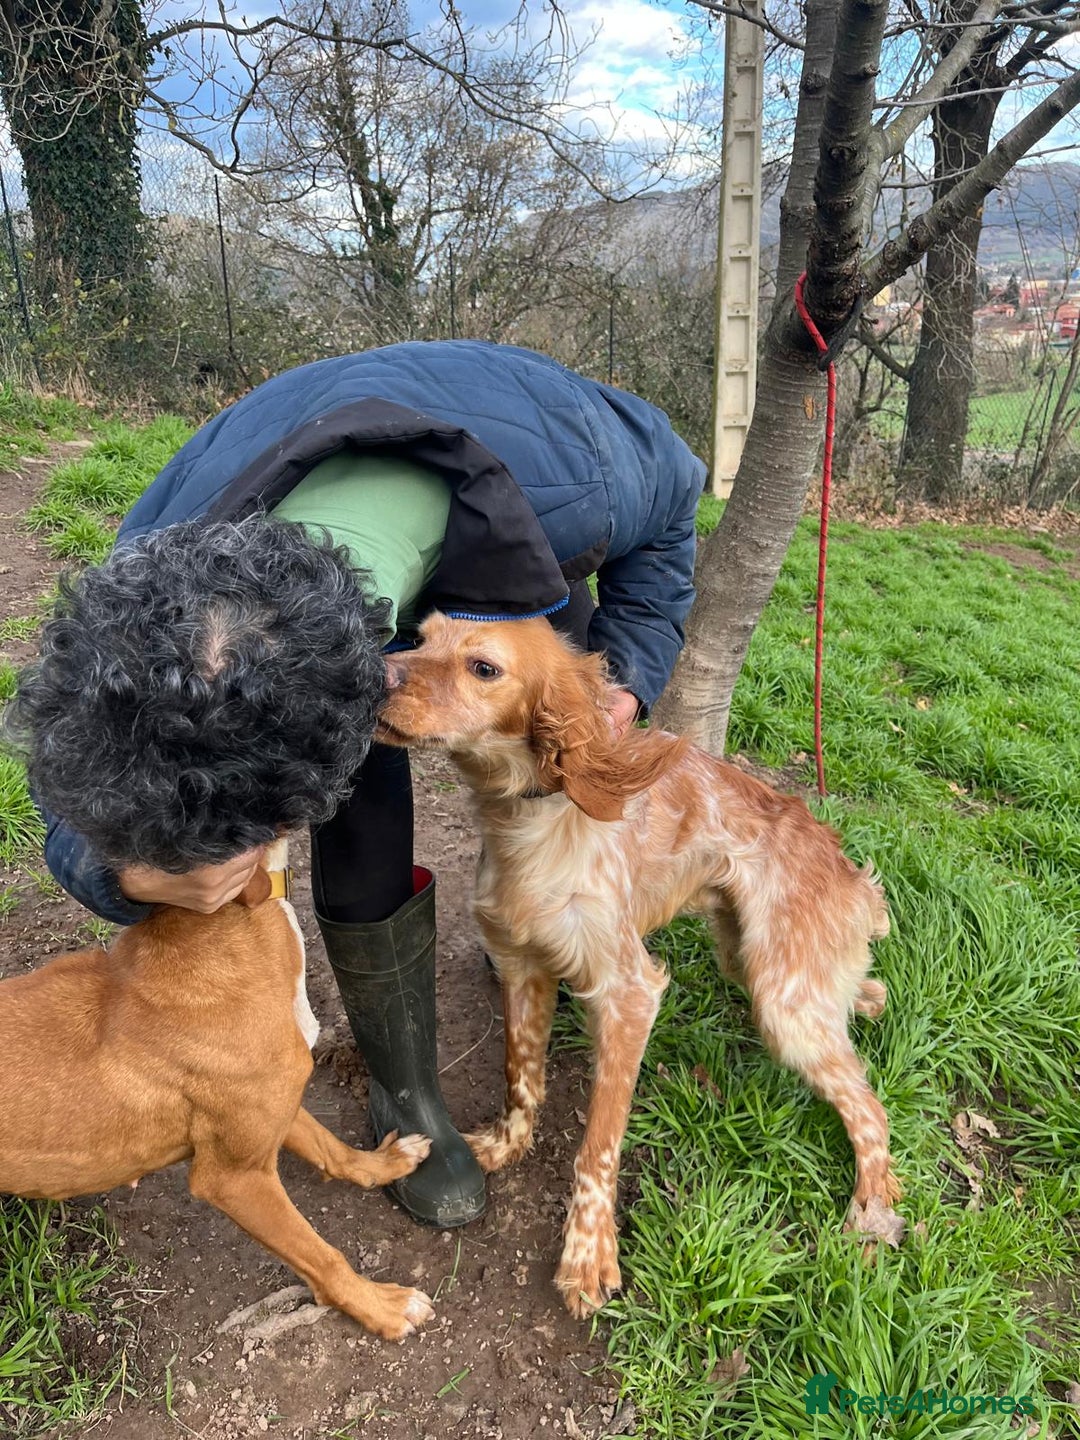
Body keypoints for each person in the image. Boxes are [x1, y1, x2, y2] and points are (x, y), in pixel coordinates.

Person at [9, 339, 707, 1229]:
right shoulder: (154, 572)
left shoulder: (596, 479)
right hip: (269, 493)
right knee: (364, 806)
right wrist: (131, 873)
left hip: (525, 496)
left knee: (538, 735)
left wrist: (625, 688)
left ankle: (528, 925)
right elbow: (91, 782)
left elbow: (676, 516)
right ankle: (406, 1085)